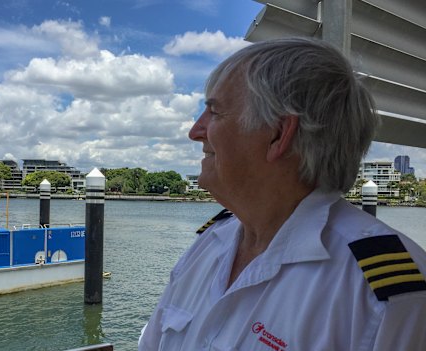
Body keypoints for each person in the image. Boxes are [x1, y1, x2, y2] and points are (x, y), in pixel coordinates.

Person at [138, 38, 426, 350]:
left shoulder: (385, 297)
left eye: (215, 112)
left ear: (278, 134)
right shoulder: (208, 245)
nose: (195, 131)